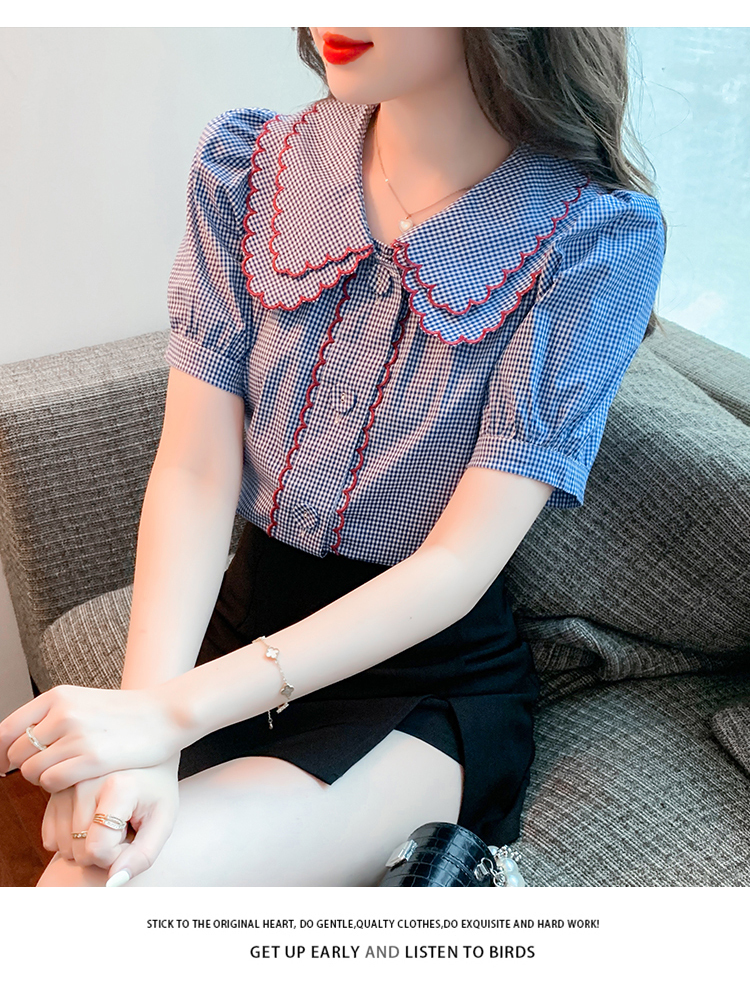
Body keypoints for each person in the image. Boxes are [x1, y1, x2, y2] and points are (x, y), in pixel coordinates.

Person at [0, 27, 664, 887]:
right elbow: (197, 472)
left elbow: (457, 565)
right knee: (90, 867)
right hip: (236, 626)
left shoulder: (595, 240)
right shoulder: (248, 167)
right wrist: (143, 728)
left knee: (95, 892)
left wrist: (167, 717)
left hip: (420, 680)